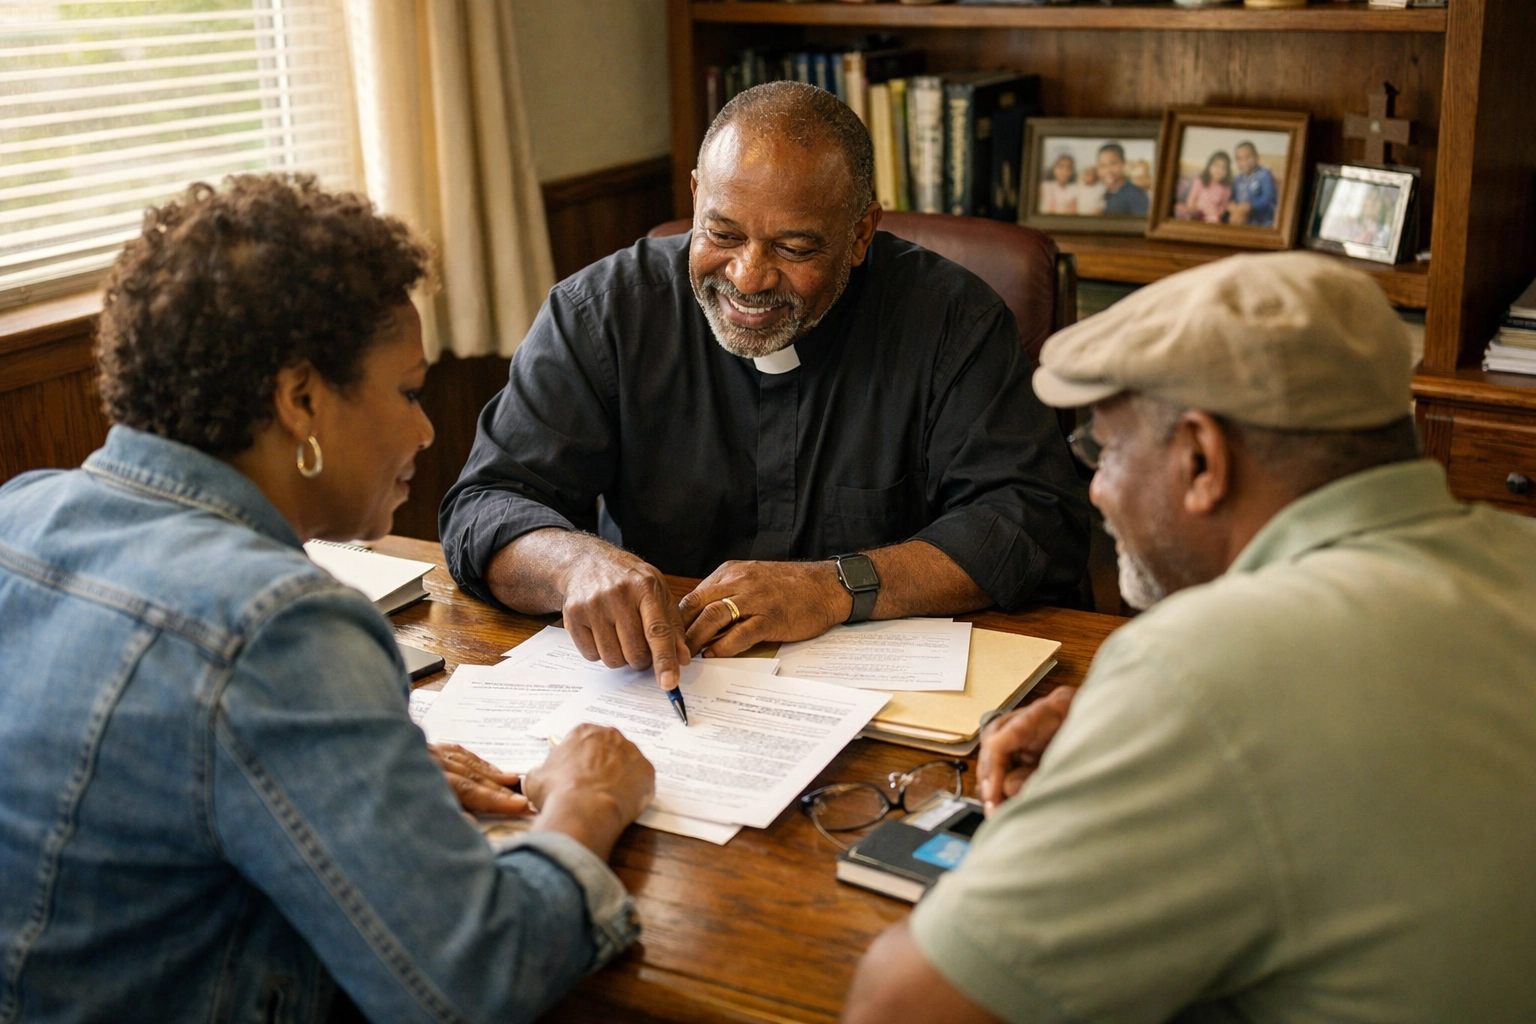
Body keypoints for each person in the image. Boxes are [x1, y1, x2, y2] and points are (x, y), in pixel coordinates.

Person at [0, 175, 657, 1024]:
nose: (426, 432)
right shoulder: (280, 626)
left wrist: (347, 772)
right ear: (301, 399)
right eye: (411, 392)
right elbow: (474, 978)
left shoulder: (18, 512)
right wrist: (589, 800)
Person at [843, 252, 1536, 1024]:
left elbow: (894, 1006)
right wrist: (1142, 732)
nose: (1097, 489)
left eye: (1103, 451)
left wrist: (1163, 723)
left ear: (1202, 459)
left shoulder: (1205, 670)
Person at [440, 81, 1089, 694]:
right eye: (722, 234)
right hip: (665, 695)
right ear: (696, 196)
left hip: (887, 705)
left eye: (795, 248)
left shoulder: (952, 321)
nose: (749, 278)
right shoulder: (603, 312)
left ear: (861, 233)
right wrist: (572, 564)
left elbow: (1030, 521)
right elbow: (488, 504)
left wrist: (837, 587)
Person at [1226, 140, 1278, 227]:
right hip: (1241, 217)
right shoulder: (1237, 179)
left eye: (1248, 157)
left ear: (1257, 157)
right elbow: (1232, 198)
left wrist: (1251, 206)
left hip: (1260, 220)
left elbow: (1269, 200)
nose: (1244, 162)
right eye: (1240, 159)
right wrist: (1231, 205)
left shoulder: (1264, 174)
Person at [1175, 150, 1233, 224]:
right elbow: (1190, 204)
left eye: (1224, 168)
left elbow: (1224, 205)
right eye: (1216, 165)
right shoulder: (1200, 180)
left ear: (1228, 171)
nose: (1219, 170)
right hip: (1197, 212)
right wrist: (1201, 206)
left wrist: (1216, 213)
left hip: (1214, 216)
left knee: (1214, 220)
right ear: (1209, 166)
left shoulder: (1227, 186)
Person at [1095, 142, 1148, 217]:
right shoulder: (1102, 194)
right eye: (1103, 165)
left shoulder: (1135, 194)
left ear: (1124, 164)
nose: (1108, 170)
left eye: (1114, 163)